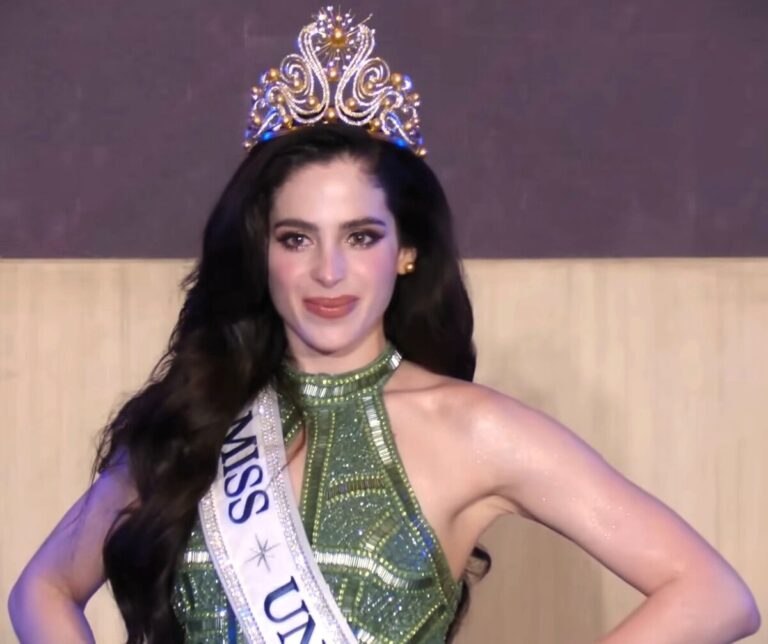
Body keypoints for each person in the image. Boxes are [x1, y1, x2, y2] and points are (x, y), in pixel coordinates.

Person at [8, 8, 761, 644]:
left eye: (361, 237)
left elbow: (713, 594)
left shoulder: (474, 430)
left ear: (405, 252)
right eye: (296, 239)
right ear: (262, 253)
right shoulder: (203, 417)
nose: (328, 272)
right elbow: (42, 587)